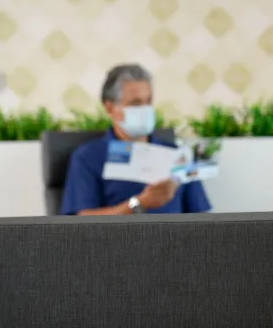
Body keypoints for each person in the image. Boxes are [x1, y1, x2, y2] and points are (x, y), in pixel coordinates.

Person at [60, 63, 211, 216]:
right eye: (135, 103)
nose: (145, 109)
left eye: (148, 102)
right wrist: (140, 204)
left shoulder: (178, 155)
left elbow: (202, 217)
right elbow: (83, 221)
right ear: (110, 108)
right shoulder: (88, 157)